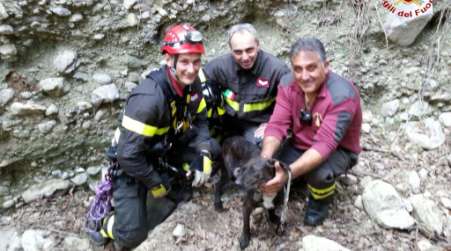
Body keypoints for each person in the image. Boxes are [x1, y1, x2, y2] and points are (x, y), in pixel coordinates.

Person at [87, 24, 219, 250]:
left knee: (213, 150)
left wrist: (204, 154)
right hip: (131, 164)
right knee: (131, 238)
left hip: (163, 150)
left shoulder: (192, 84)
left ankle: (170, 182)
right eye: (185, 62)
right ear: (169, 60)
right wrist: (155, 183)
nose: (192, 69)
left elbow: (201, 121)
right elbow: (128, 156)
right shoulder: (149, 99)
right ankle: (102, 222)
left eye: (196, 62)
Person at [260, 37, 362, 226]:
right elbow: (276, 125)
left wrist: (289, 172)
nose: (304, 76)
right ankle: (294, 178)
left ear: (326, 65)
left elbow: (325, 145)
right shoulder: (287, 84)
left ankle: (318, 204)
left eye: (311, 67)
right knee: (269, 161)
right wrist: (265, 159)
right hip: (300, 144)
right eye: (298, 69)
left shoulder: (342, 95)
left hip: (338, 151)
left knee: (319, 173)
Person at [201, 23, 290, 144]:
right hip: (226, 122)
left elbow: (293, 103)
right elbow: (193, 83)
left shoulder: (277, 70)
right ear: (230, 50)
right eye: (238, 52)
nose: (245, 57)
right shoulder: (220, 66)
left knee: (262, 144)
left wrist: (272, 124)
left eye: (249, 50)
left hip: (257, 125)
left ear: (258, 45)